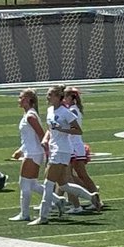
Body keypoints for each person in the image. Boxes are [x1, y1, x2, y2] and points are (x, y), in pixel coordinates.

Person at [30, 85, 95, 226]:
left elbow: (78, 130)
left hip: (62, 150)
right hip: (54, 149)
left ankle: (43, 216)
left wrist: (63, 129)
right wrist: (46, 140)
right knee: (64, 185)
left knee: (48, 184)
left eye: (50, 95)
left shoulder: (66, 112)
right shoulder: (50, 110)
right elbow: (50, 128)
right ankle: (91, 197)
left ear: (58, 97)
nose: (47, 97)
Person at [62, 87, 102, 213]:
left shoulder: (72, 110)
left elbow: (71, 126)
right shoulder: (73, 109)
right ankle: (91, 194)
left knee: (76, 175)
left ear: (71, 98)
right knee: (74, 175)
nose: (63, 99)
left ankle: (93, 196)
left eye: (65, 96)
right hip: (75, 145)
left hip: (74, 146)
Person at [10, 88, 47, 222]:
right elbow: (29, 138)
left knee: (24, 183)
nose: (19, 100)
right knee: (32, 184)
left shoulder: (30, 116)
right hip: (31, 151)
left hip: (33, 153)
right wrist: (21, 150)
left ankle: (24, 214)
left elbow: (41, 135)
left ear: (28, 100)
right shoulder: (29, 114)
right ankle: (57, 200)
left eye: (21, 98)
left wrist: (46, 152)